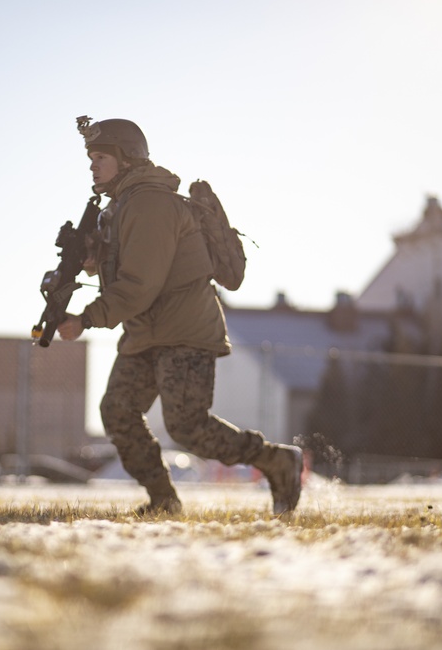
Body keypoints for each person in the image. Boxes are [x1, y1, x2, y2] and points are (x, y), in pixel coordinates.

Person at [57, 117, 303, 515]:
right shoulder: (121, 206)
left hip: (184, 332)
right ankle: (163, 500)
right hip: (146, 332)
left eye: (100, 156)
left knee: (188, 426)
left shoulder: (150, 204)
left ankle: (277, 460)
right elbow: (128, 269)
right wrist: (93, 259)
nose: (92, 165)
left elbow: (140, 284)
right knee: (118, 411)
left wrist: (85, 320)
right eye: (91, 157)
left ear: (127, 158)